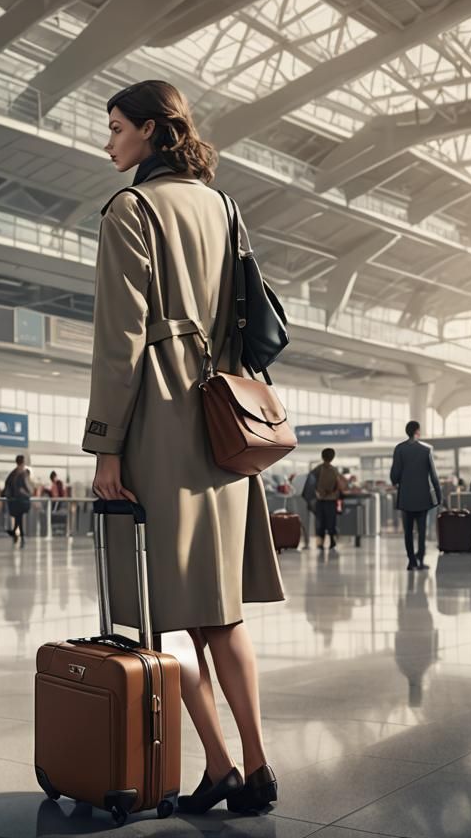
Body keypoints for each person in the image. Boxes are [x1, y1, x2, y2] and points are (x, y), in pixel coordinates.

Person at [84, 80, 285, 814]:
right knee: (220, 611)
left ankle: (223, 765)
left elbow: (119, 343)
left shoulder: (131, 210)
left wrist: (106, 446)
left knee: (165, 613)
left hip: (162, 426)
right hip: (224, 426)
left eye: (116, 127)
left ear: (148, 130)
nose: (109, 141)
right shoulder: (223, 205)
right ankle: (251, 767)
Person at [390, 420, 442, 571]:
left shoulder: (399, 449)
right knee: (422, 530)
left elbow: (394, 475)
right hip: (422, 497)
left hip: (406, 497)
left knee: (408, 532)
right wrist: (439, 496)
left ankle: (411, 561)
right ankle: (421, 559)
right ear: (417, 431)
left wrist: (400, 481)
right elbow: (433, 475)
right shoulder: (426, 450)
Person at [312, 448, 345, 551]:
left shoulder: (317, 469)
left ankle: (320, 543)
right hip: (331, 500)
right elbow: (340, 485)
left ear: (322, 457)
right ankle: (332, 541)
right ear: (332, 457)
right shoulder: (335, 470)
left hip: (320, 500)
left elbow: (311, 483)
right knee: (331, 522)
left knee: (320, 522)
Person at [2, 455, 33, 546]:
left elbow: (7, 484)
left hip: (13, 499)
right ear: (23, 462)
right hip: (21, 499)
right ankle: (20, 533)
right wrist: (29, 493)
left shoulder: (13, 473)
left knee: (18, 517)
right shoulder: (23, 473)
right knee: (19, 516)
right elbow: (26, 487)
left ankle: (16, 532)